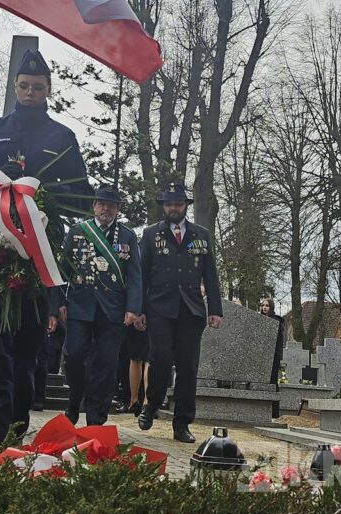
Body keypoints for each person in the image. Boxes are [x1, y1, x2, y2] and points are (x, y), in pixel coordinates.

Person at [0, 48, 90, 445]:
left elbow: (82, 197)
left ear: (49, 90)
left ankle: (14, 430)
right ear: (15, 87)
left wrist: (43, 198)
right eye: (25, 86)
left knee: (28, 349)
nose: (31, 93)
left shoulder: (62, 137)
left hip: (37, 257)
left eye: (38, 87)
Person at [137, 183, 223, 443]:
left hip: (191, 308)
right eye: (168, 204)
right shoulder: (151, 234)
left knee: (187, 366)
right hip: (159, 307)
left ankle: (182, 423)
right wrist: (139, 310)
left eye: (177, 203)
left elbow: (210, 274)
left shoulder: (201, 234)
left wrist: (215, 309)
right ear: (163, 207)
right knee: (160, 358)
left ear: (185, 206)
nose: (173, 208)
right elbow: (141, 274)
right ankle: (151, 404)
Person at [51, 185, 142, 426]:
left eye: (111, 205)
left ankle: (96, 419)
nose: (106, 209)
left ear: (118, 209)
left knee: (106, 364)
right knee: (73, 356)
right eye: (102, 204)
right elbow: (62, 271)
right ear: (94, 206)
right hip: (80, 305)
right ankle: (74, 402)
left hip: (112, 309)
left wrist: (132, 308)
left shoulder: (127, 236)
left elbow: (135, 276)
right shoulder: (78, 232)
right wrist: (58, 304)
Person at [260, 298, 285, 418]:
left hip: (273, 357)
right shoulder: (258, 319)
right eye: (263, 305)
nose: (264, 307)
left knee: (272, 382)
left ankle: (274, 412)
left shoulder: (276, 321)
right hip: (261, 356)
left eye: (267, 306)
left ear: (271, 307)